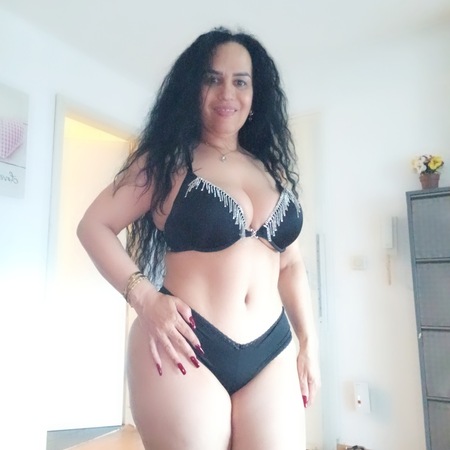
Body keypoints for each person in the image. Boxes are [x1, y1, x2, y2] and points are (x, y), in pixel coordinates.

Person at [77, 26, 320, 450]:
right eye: (213, 78)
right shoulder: (166, 162)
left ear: (255, 93)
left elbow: (290, 262)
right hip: (185, 343)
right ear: (193, 87)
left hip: (272, 348)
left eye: (240, 81)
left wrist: (308, 342)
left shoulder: (272, 170)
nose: (227, 92)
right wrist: (145, 299)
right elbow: (93, 226)